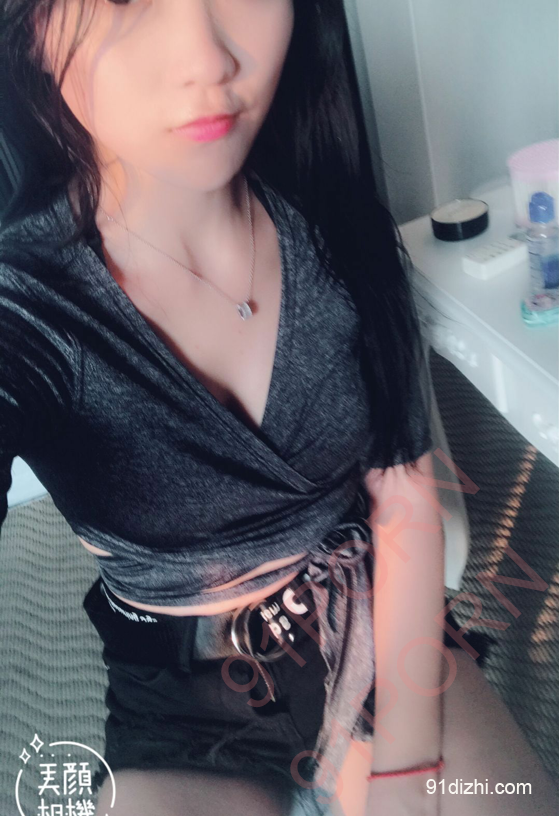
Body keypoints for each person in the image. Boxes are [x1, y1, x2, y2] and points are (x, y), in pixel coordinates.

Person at [1, 1, 558, 815]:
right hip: (183, 695)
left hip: (372, 623)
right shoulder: (25, 310)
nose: (207, 58)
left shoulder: (340, 229)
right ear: (33, 32)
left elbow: (404, 497)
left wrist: (405, 775)